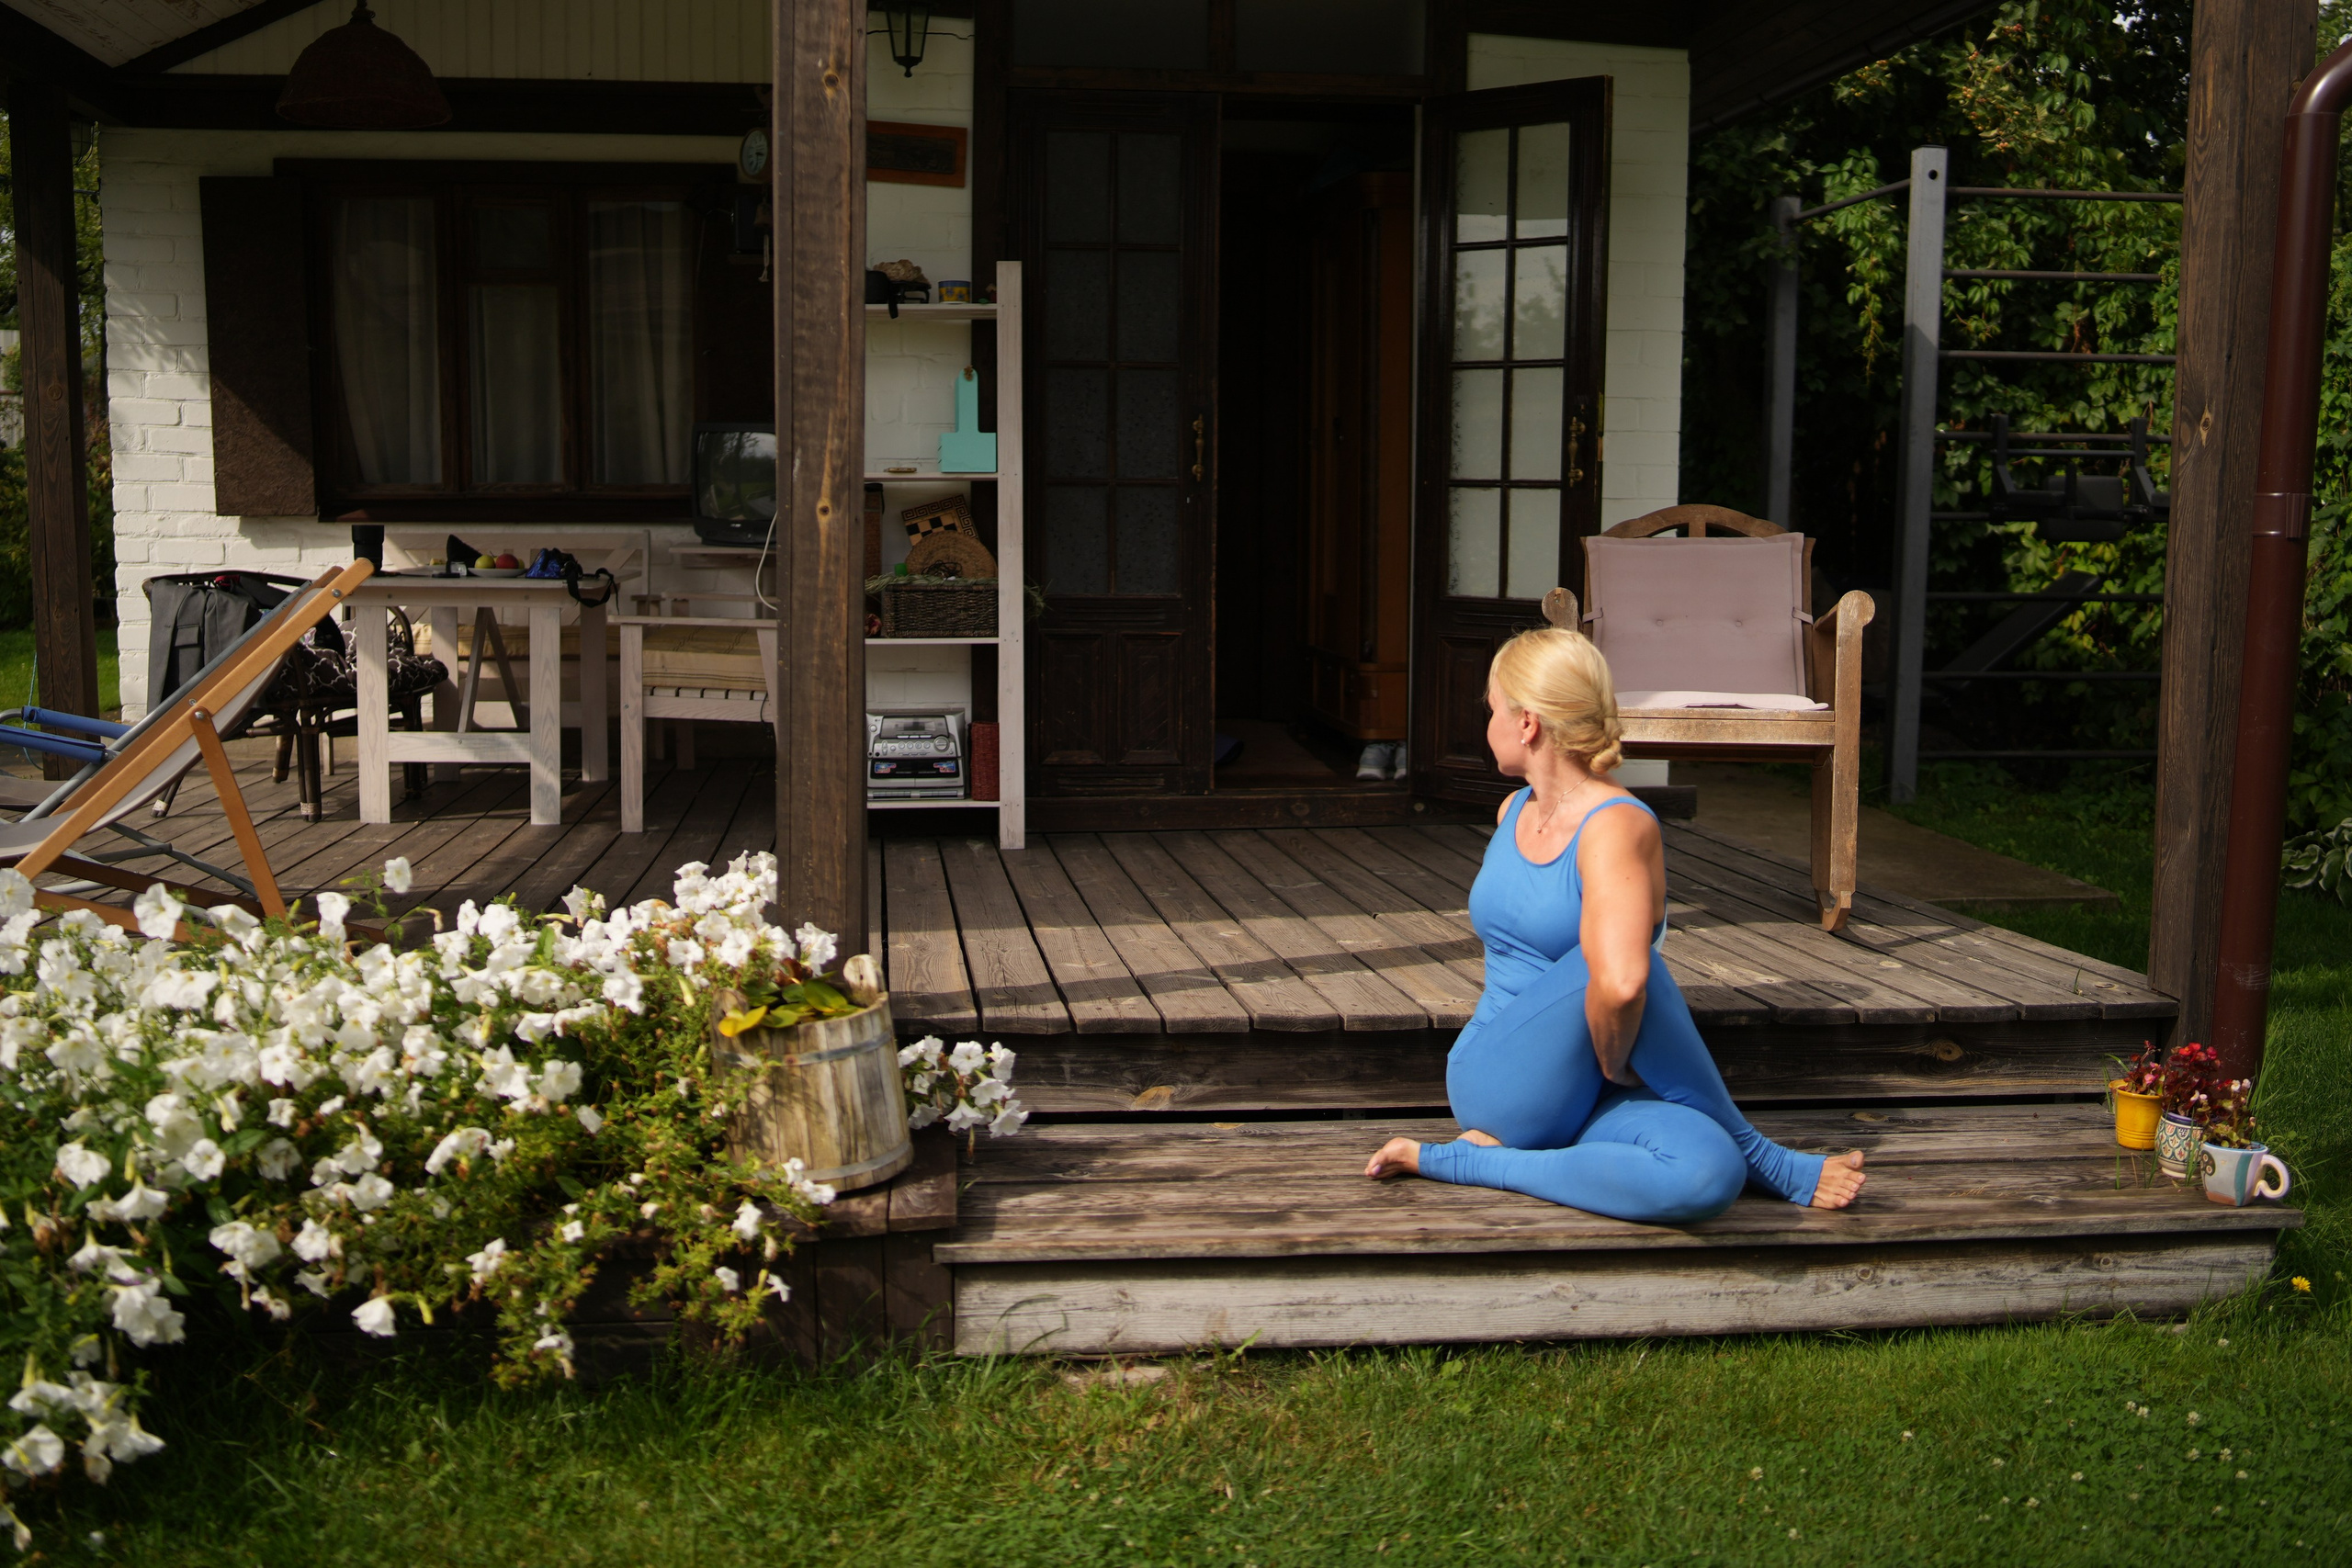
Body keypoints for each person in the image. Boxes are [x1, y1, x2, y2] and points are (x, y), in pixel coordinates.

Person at [1363, 627, 1866, 1223]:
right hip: (1504, 1080)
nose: (1488, 720)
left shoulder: (1613, 825)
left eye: (1492, 707)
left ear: (1527, 723)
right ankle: (1763, 1154)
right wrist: (1614, 1054)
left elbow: (1621, 987)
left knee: (1707, 1171)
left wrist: (1606, 1060)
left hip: (1591, 1091)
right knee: (1628, 962)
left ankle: (1477, 1161)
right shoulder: (1514, 812)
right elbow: (1624, 982)